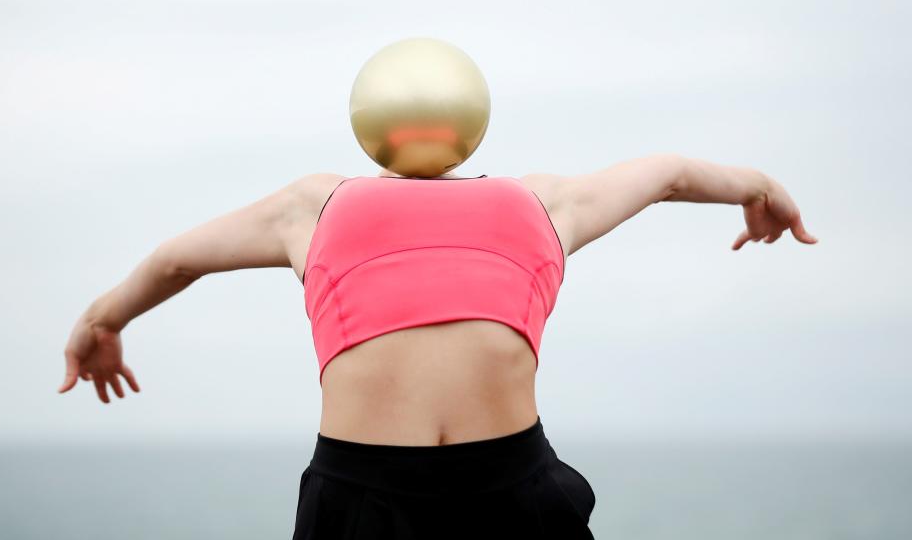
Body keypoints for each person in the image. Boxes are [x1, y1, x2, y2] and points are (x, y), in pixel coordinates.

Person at [57, 154, 818, 539]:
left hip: (360, 497)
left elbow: (173, 261)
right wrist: (760, 186)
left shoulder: (313, 206)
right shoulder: (541, 201)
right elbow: (672, 175)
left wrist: (102, 320)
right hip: (513, 488)